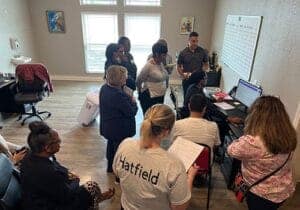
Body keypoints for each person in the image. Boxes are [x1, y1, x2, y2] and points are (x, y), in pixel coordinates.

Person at [113, 104, 199, 210]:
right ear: (166, 132)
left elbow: (117, 172)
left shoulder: (125, 144)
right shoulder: (173, 165)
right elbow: (179, 206)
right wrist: (190, 177)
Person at [20, 121, 115, 210]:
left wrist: (67, 173)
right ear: (47, 147)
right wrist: (76, 180)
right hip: (47, 205)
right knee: (92, 187)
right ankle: (92, 203)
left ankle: (94, 199)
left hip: (40, 197)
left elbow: (56, 166)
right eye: (58, 141)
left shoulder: (31, 155)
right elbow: (67, 196)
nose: (60, 143)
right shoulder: (49, 172)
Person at [227, 96, 297, 210]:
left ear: (255, 116)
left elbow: (231, 149)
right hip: (283, 191)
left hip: (260, 193)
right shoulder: (289, 136)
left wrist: (249, 131)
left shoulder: (253, 142)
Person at [183, 71, 242, 146]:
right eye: (206, 78)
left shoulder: (194, 87)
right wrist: (227, 118)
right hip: (196, 114)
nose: (207, 79)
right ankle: (218, 146)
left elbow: (205, 101)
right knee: (223, 124)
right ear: (201, 80)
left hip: (191, 112)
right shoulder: (197, 91)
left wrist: (214, 100)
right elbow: (210, 108)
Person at [100, 65, 138, 173]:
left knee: (111, 148)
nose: (126, 78)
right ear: (119, 79)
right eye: (125, 76)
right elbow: (131, 112)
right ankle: (119, 175)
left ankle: (110, 168)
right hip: (119, 130)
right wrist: (133, 102)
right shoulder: (118, 95)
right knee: (120, 152)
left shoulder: (104, 88)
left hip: (109, 127)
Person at [172, 94, 221, 160]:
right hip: (204, 165)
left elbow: (174, 144)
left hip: (183, 164)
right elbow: (216, 145)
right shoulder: (213, 126)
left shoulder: (177, 124)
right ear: (204, 108)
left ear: (189, 106)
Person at [136, 42, 169, 114]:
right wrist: (140, 93)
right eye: (164, 55)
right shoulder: (148, 66)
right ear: (157, 54)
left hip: (159, 97)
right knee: (149, 119)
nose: (165, 57)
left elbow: (164, 76)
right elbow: (138, 81)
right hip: (149, 98)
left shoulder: (160, 64)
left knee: (157, 118)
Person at [177, 31, 209, 96]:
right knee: (187, 98)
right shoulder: (183, 53)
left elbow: (206, 64)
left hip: (199, 81)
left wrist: (204, 69)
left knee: (198, 100)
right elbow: (178, 66)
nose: (195, 43)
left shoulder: (202, 51)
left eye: (197, 41)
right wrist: (182, 75)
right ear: (189, 40)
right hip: (187, 79)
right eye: (193, 41)